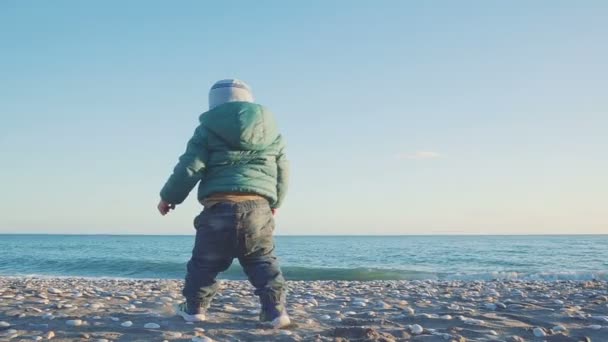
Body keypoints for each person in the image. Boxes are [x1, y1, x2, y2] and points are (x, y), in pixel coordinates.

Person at [157, 79, 290, 328]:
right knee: (262, 260)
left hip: (219, 207)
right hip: (258, 207)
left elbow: (190, 167)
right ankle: (276, 311)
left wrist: (169, 197)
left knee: (205, 262)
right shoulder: (272, 133)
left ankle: (195, 309)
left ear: (213, 104)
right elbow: (282, 169)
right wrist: (276, 200)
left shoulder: (207, 130)